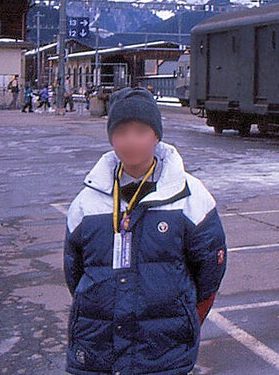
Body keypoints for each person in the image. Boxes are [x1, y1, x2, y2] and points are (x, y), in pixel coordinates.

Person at [63, 87, 227, 375]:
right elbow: (74, 273)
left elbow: (209, 270)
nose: (131, 141)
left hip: (163, 349)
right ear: (111, 137)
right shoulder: (87, 201)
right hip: (98, 348)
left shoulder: (189, 195)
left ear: (156, 136)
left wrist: (181, 310)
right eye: (121, 131)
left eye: (141, 131)